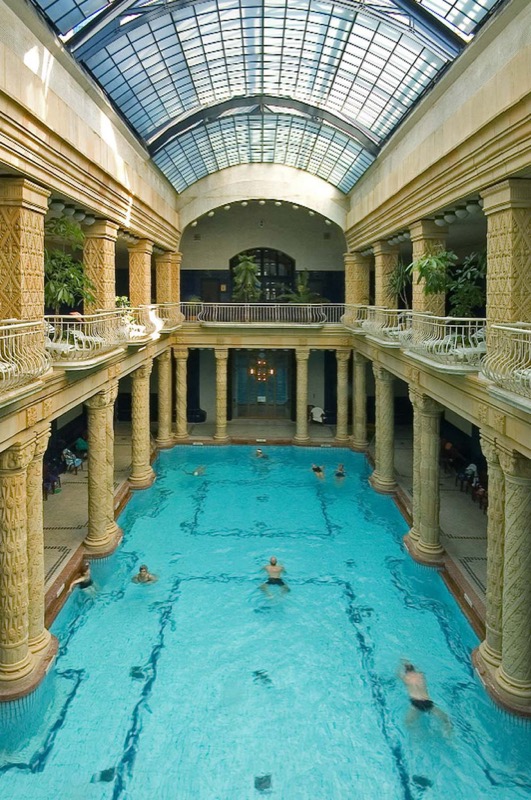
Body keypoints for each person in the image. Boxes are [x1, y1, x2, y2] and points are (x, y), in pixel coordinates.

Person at [400, 661, 451, 731]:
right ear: (414, 668)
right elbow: (419, 669)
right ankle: (447, 733)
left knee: (408, 723)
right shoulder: (421, 675)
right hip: (427, 702)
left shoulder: (405, 678)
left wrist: (401, 664)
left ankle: (416, 734)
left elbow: (398, 674)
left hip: (416, 702)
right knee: (446, 719)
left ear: (405, 671)